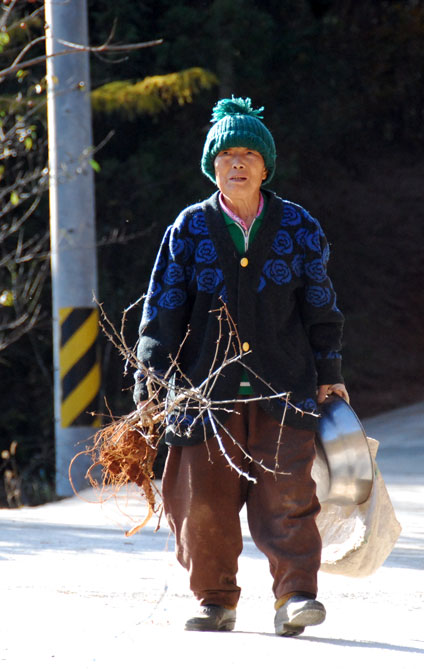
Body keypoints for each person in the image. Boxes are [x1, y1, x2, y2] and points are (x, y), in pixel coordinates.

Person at [133, 96, 348, 637]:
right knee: (201, 505)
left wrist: (330, 372)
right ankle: (214, 599)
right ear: (212, 164)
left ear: (265, 166)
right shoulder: (188, 229)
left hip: (284, 392)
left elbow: (321, 308)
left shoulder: (299, 227)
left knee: (289, 501)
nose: (237, 162)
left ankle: (295, 596)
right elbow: (161, 311)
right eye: (226, 152)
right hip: (202, 396)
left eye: (249, 152)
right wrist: (151, 383)